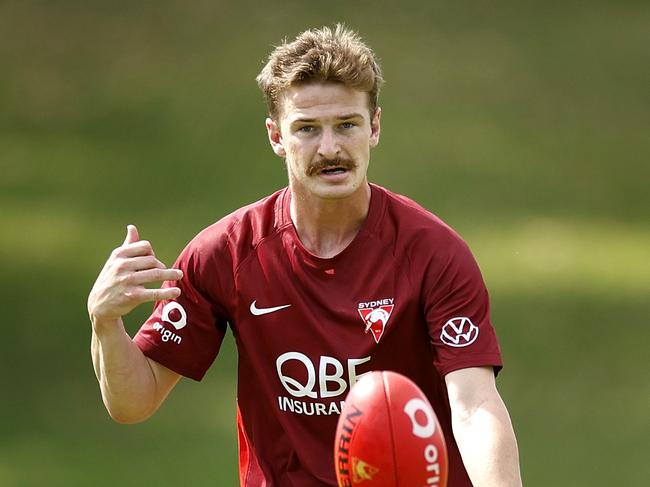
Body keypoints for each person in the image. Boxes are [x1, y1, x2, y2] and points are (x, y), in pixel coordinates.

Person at [88, 24, 523, 486]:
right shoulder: (227, 253)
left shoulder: (433, 253)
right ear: (276, 136)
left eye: (347, 125)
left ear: (374, 126)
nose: (330, 148)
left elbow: (475, 406)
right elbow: (134, 402)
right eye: (308, 129)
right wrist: (105, 323)